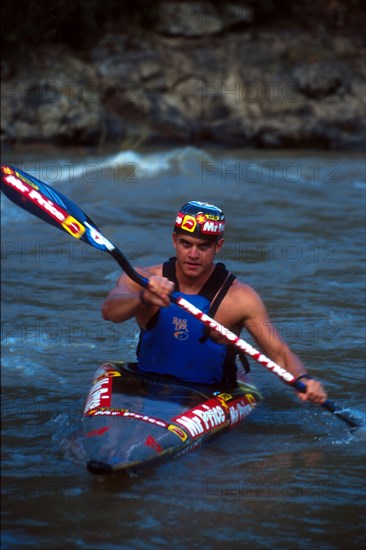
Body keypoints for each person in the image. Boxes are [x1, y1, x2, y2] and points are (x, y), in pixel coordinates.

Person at [102, 201, 327, 404]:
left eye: (204, 247)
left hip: (211, 394)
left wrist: (304, 379)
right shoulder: (144, 279)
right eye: (185, 243)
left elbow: (279, 352)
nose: (193, 254)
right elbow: (110, 311)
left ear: (218, 246)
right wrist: (143, 298)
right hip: (146, 382)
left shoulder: (240, 298)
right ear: (174, 241)